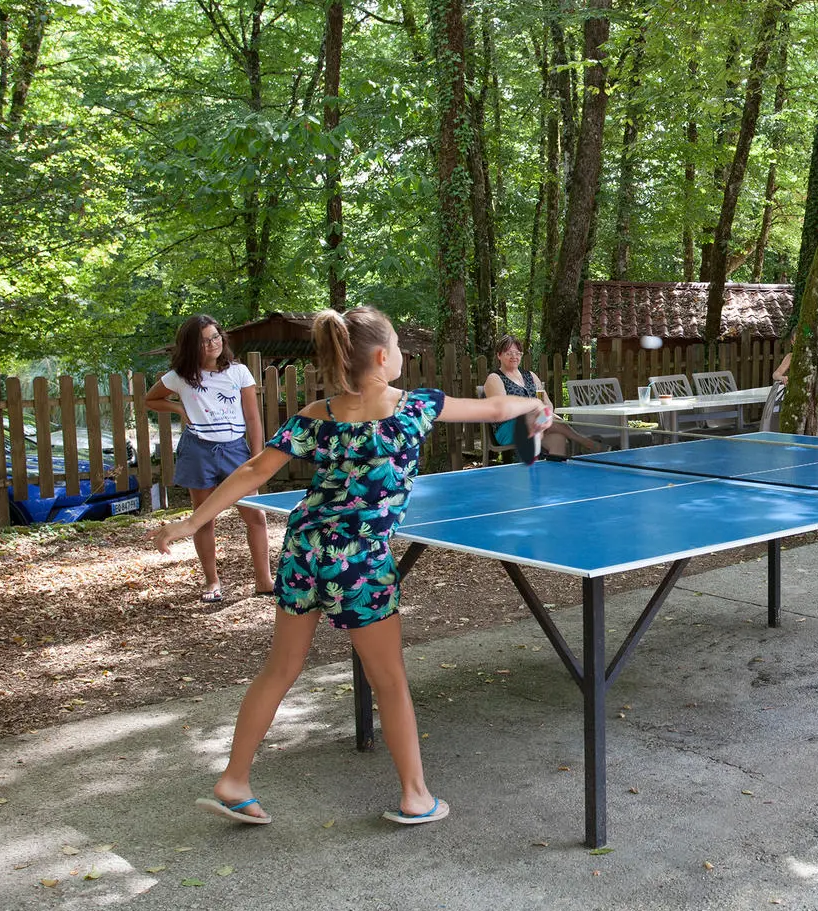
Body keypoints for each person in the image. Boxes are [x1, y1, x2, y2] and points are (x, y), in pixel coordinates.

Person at [148, 306, 548, 827]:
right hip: (359, 561)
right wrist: (536, 405)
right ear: (383, 358)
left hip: (304, 549)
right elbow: (497, 410)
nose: (403, 354)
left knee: (280, 668)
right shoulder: (416, 407)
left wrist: (191, 521)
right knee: (389, 680)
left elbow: (253, 469)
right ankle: (415, 796)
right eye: (400, 346)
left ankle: (234, 780)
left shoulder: (318, 415)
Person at [145, 316, 273, 602]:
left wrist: (257, 457)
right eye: (204, 340)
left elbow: (253, 418)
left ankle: (264, 580)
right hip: (198, 450)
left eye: (215, 337)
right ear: (192, 345)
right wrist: (178, 409)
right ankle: (211, 582)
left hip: (235, 450)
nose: (212, 343)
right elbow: (150, 400)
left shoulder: (239, 372)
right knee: (203, 518)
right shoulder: (180, 376)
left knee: (255, 516)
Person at [483, 335, 602, 456]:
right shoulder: (495, 378)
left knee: (558, 439)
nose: (514, 356)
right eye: (508, 353)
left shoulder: (530, 376)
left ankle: (552, 473)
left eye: (517, 353)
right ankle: (586, 442)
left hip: (537, 425)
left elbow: (548, 404)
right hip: (509, 429)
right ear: (499, 355)